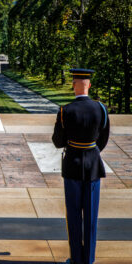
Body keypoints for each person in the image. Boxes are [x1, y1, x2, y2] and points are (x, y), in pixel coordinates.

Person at [52, 68, 110, 264]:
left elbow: (58, 142)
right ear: (89, 85)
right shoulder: (101, 109)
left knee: (74, 215)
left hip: (72, 164)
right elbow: (103, 139)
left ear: (74, 85)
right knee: (91, 216)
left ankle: (76, 258)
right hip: (93, 164)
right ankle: (89, 259)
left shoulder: (65, 110)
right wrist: (91, 150)